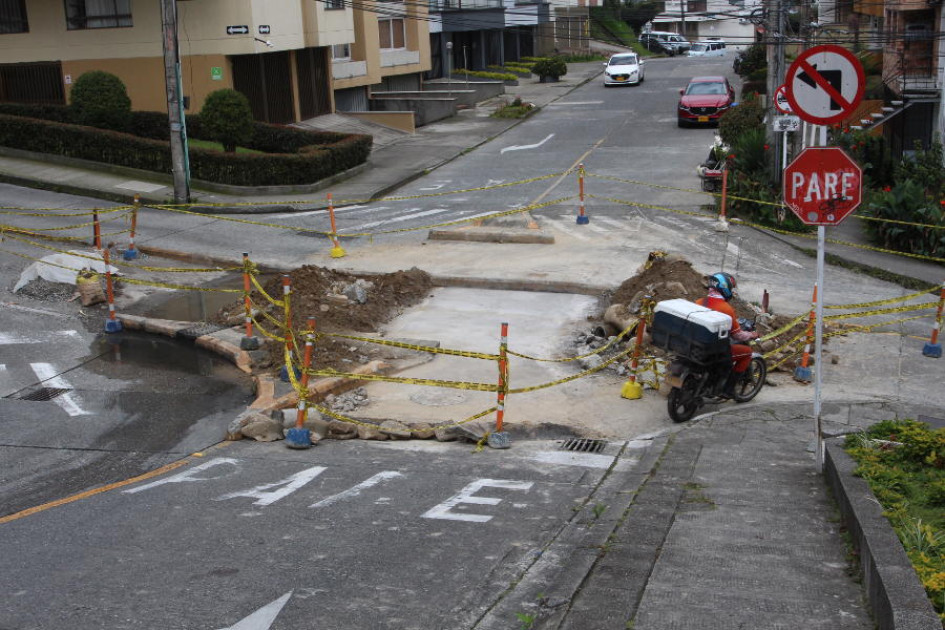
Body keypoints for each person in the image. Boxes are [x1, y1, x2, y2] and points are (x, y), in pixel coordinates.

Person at [696, 272, 759, 397]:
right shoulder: (726, 309)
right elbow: (737, 336)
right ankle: (728, 389)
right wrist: (751, 335)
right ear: (725, 288)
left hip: (695, 344)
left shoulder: (699, 302)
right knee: (747, 352)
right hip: (713, 351)